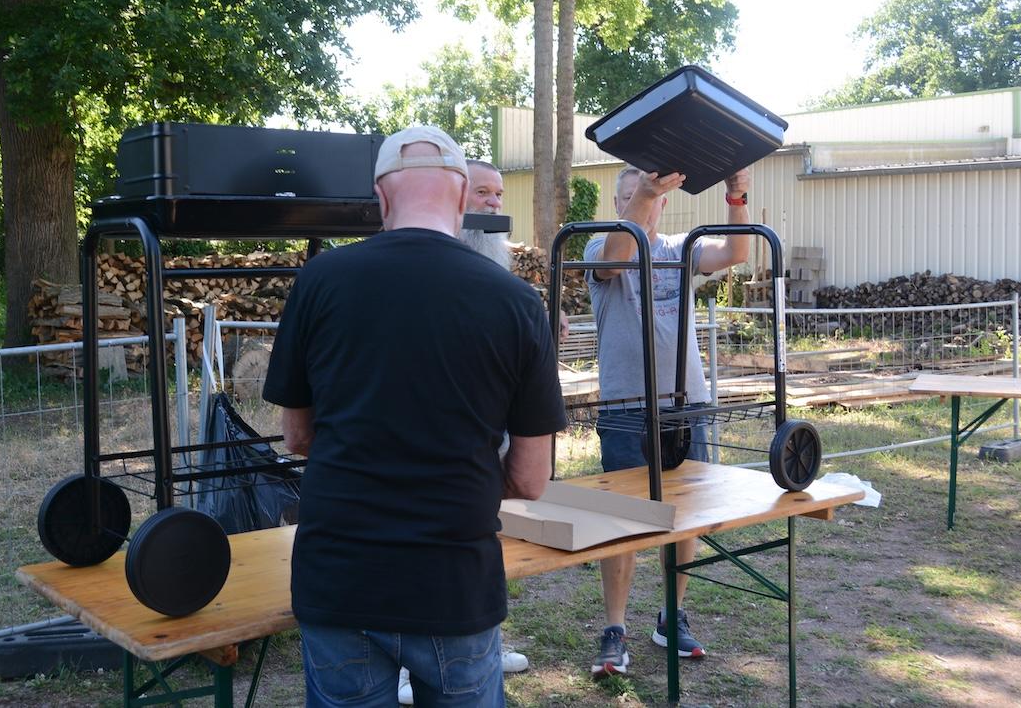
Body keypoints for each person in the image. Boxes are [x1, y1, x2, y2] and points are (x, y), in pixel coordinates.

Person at [264, 125, 567, 707]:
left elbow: (297, 435)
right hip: (454, 582)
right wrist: (462, 477)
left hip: (339, 576)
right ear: (461, 198)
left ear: (381, 199)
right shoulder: (516, 302)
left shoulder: (320, 281)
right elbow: (531, 478)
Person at [584, 165, 751, 677]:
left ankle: (671, 616)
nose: (642, 202)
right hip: (626, 409)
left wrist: (737, 195)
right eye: (630, 196)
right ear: (618, 205)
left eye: (651, 195)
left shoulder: (680, 249)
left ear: (665, 203)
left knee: (685, 514)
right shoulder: (597, 248)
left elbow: (736, 254)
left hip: (686, 402)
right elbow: (615, 262)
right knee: (622, 521)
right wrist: (644, 194)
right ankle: (615, 628)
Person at [394, 158, 531, 706]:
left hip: (487, 433)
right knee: (418, 540)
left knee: (483, 539)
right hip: (426, 437)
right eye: (483, 193)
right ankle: (406, 663)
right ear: (454, 198)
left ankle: (482, 644)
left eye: (499, 194)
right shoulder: (422, 264)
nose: (495, 204)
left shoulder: (495, 259)